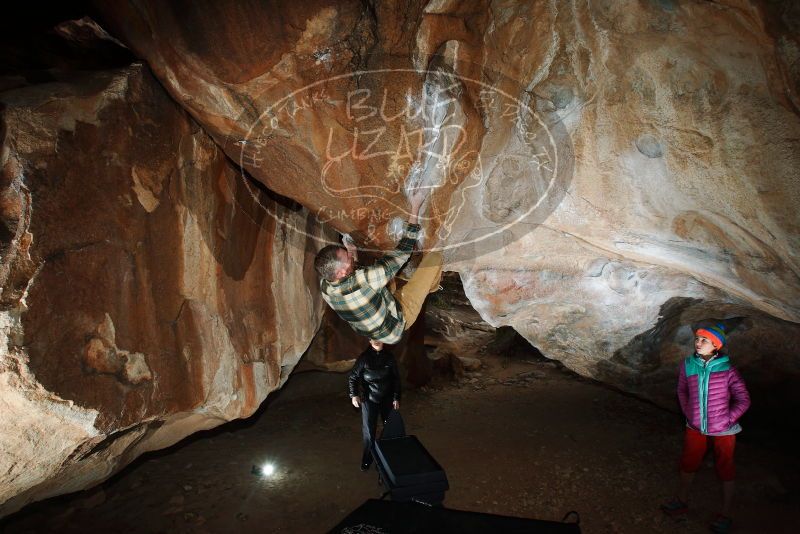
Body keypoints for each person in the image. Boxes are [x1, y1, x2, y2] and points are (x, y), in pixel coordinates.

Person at [314, 188, 443, 344]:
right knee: (435, 257)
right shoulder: (365, 281)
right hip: (397, 324)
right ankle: (433, 286)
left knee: (386, 279)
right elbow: (403, 251)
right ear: (341, 273)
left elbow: (354, 282)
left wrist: (352, 252)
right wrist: (415, 205)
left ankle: (377, 334)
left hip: (375, 322)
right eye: (347, 257)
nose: (349, 255)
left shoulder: (326, 287)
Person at [661, 323, 751, 533]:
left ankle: (725, 514)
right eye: (697, 339)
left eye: (704, 340)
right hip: (695, 426)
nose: (698, 343)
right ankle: (681, 500)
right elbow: (682, 391)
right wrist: (688, 412)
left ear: (716, 346)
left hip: (723, 429)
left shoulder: (728, 369)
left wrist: (728, 419)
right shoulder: (687, 365)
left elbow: (743, 399)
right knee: (688, 462)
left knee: (725, 467)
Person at [348, 339, 401, 471]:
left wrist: (396, 397)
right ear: (369, 340)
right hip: (369, 399)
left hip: (387, 398)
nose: (376, 341)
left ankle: (386, 458)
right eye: (373, 338)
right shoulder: (364, 358)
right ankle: (367, 459)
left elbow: (396, 379)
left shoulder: (389, 357)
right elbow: (353, 377)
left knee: (390, 428)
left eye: (379, 338)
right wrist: (354, 395)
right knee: (369, 432)